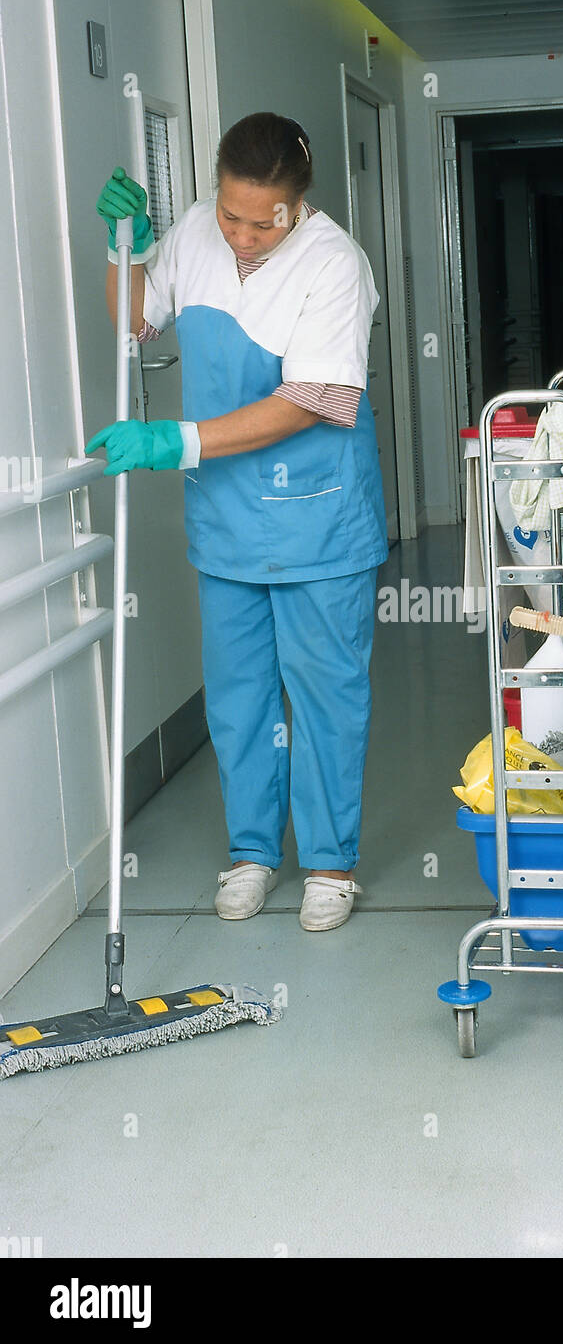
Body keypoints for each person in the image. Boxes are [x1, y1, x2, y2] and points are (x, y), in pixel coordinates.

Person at [87, 112, 389, 931]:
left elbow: (315, 401)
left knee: (324, 696)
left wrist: (174, 439)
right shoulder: (193, 234)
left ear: (300, 202)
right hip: (224, 519)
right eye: (231, 215)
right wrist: (129, 250)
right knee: (237, 699)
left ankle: (330, 864)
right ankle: (253, 852)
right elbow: (134, 321)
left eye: (266, 221)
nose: (245, 237)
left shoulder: (335, 263)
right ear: (214, 195)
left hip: (318, 519)